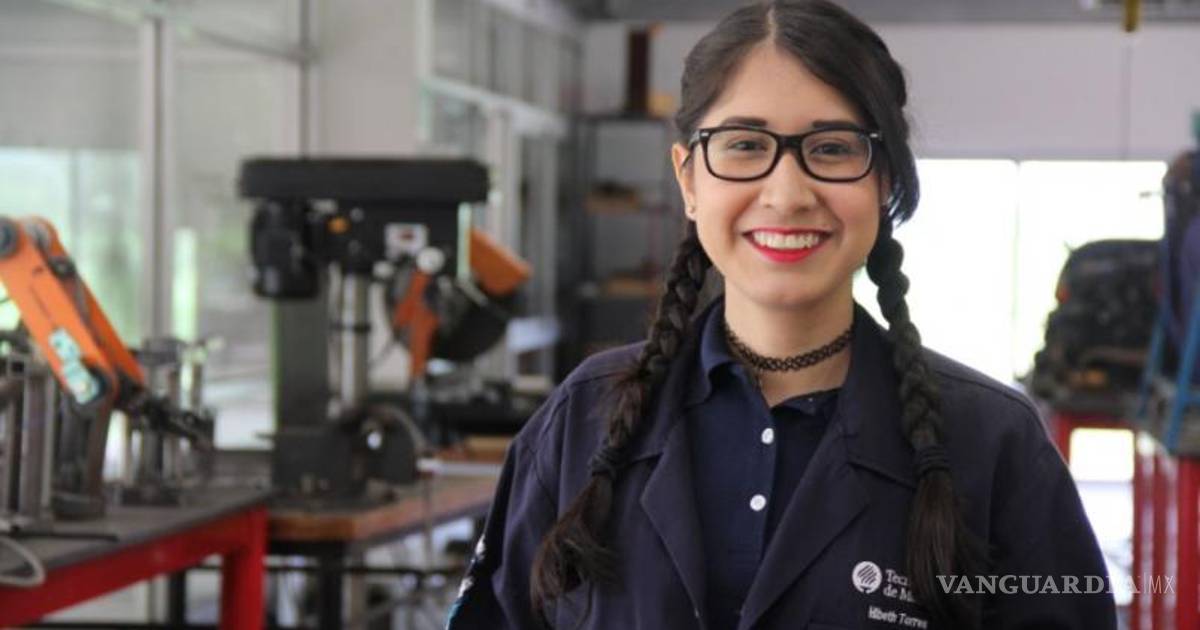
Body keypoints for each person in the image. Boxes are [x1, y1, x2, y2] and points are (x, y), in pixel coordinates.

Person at [447, 1, 1116, 628]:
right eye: (744, 145)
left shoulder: (994, 443)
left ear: (884, 181)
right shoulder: (581, 422)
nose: (788, 194)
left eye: (832, 148)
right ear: (689, 179)